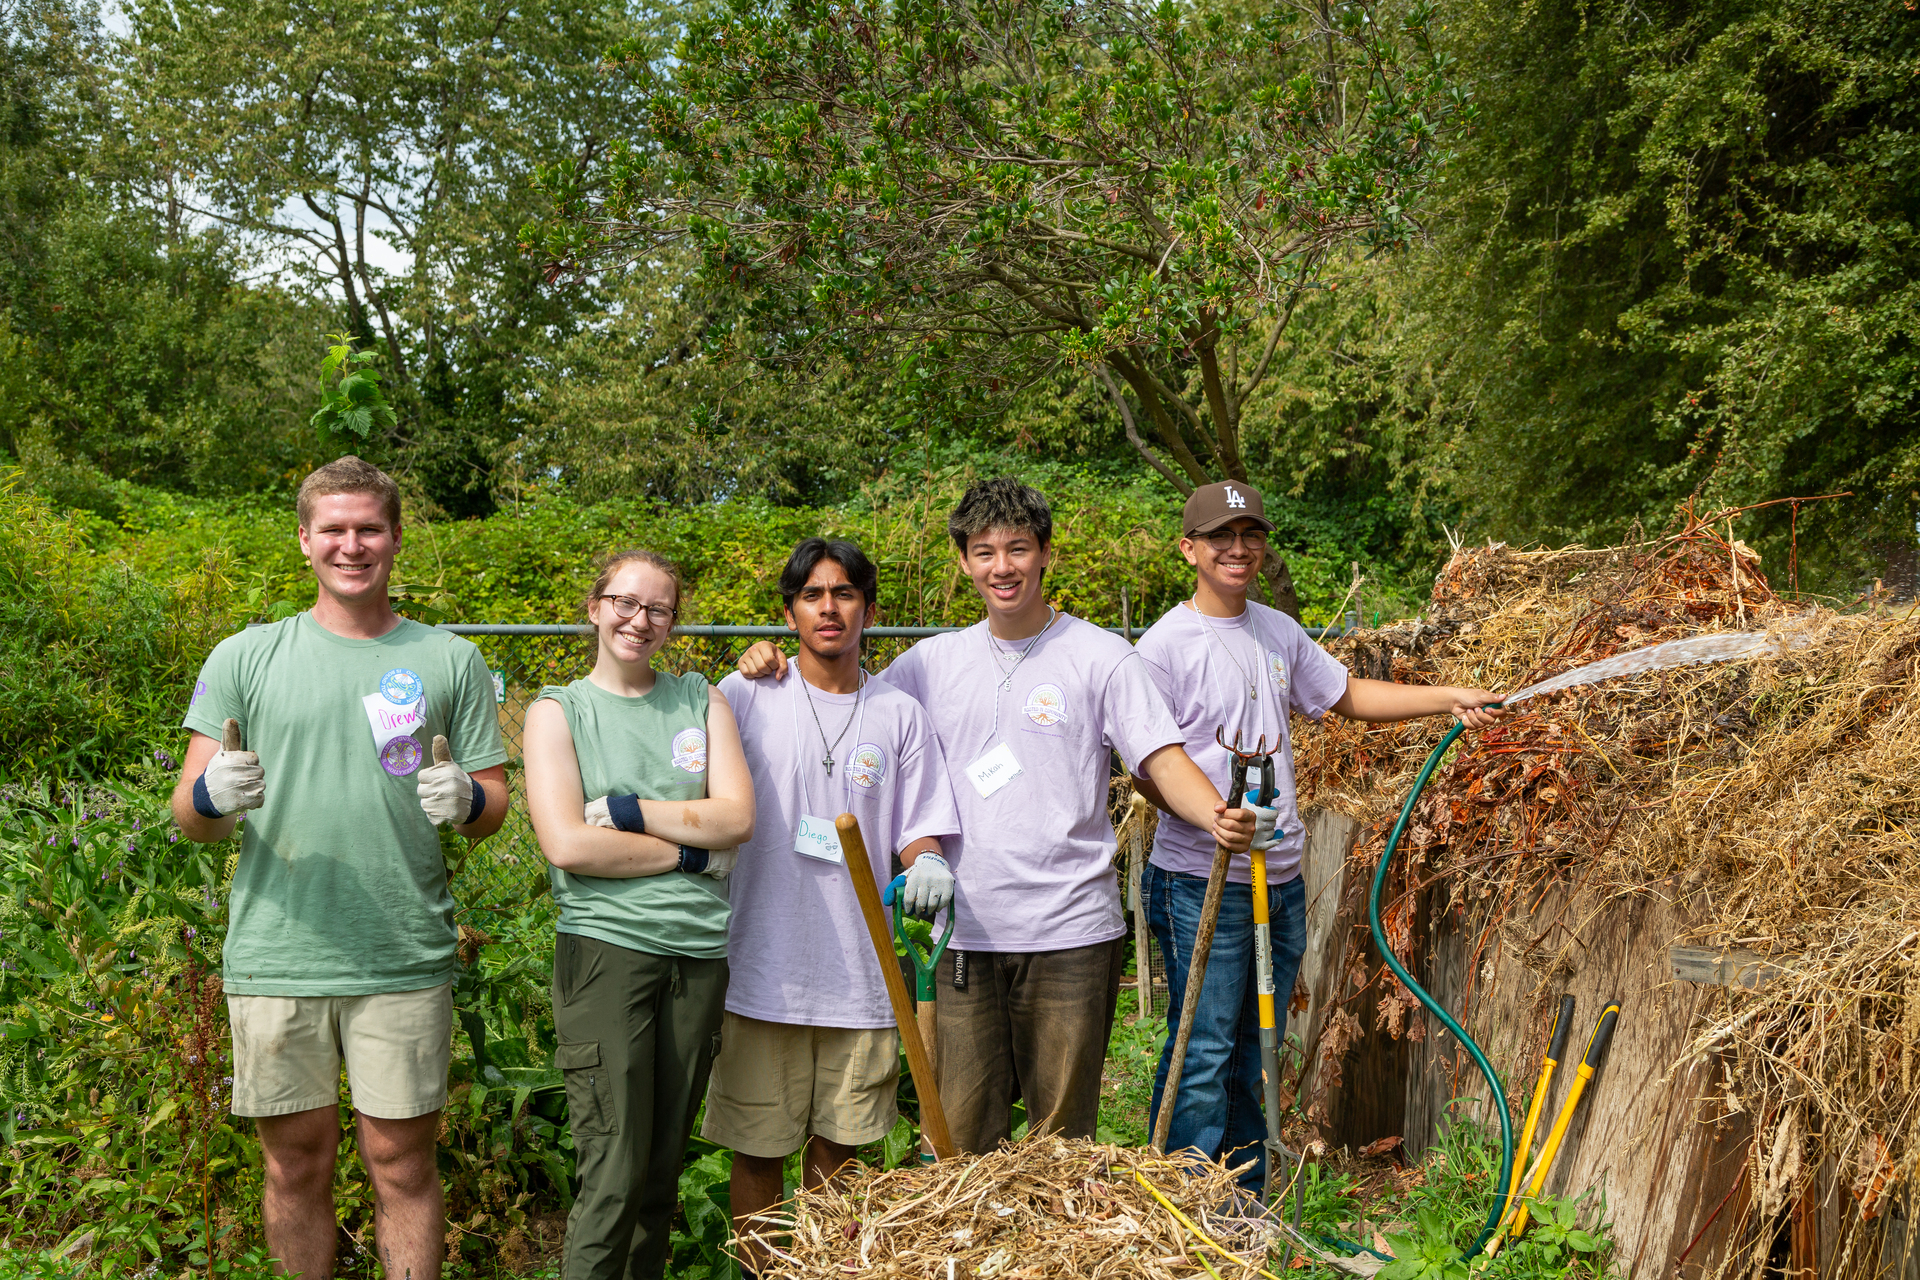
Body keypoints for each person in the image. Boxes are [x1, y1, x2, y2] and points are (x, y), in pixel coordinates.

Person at [737, 478, 1254, 1154]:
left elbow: (1161, 758)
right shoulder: (930, 664)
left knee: (1061, 1147)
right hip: (960, 936)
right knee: (958, 1146)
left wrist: (1217, 815)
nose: (1001, 567)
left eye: (1017, 548)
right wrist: (771, 662)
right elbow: (850, 708)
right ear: (964, 563)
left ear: (1045, 554)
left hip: (1070, 931)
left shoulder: (1101, 656)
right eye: (984, 552)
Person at [171, 456, 510, 1280]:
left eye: (368, 529)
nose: (351, 545)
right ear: (304, 540)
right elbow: (189, 818)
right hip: (279, 949)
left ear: (395, 538)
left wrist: (466, 800)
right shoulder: (246, 656)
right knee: (296, 1163)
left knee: (401, 1164)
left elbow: (495, 813)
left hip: (400, 951)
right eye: (334, 529)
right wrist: (213, 796)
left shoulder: (450, 660)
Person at [1132, 480, 1503, 1189]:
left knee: (1254, 1042)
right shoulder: (1164, 647)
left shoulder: (1277, 631)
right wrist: (1211, 815)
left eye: (1250, 535)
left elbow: (1348, 696)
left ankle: (1240, 1192)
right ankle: (1182, 1199)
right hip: (1198, 881)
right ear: (1190, 550)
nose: (1238, 549)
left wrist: (1447, 697)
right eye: (1221, 538)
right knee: (1204, 1048)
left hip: (1280, 876)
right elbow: (1148, 767)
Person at [704, 538, 963, 1278]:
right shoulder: (747, 695)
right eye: (812, 595)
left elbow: (918, 828)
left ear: (869, 611)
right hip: (762, 968)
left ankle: (821, 1273)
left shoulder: (900, 714)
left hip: (862, 974)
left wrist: (932, 864)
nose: (829, 607)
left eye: (844, 594)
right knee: (759, 1153)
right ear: (789, 613)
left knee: (839, 1158)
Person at [522, 548, 755, 1280]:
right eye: (624, 602)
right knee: (613, 1172)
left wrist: (630, 814)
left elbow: (737, 818)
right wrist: (689, 854)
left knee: (659, 1176)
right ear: (594, 608)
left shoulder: (699, 698)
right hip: (607, 952)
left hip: (698, 954)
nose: (639, 619)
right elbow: (569, 844)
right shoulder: (559, 712)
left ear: (673, 623)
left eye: (657, 608)